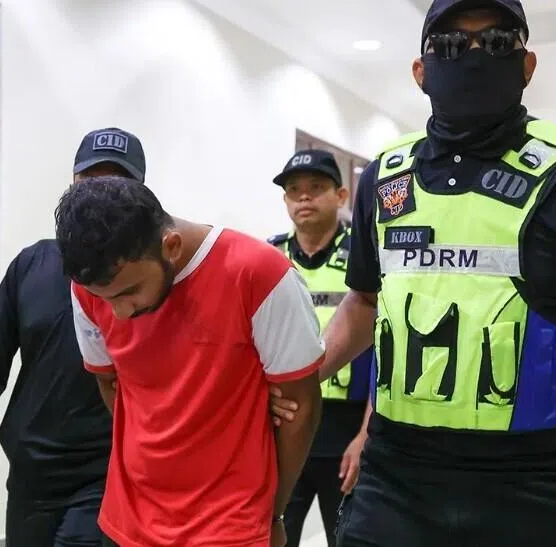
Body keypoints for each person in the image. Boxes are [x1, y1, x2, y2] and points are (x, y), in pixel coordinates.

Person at [270, 1, 556, 545]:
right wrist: (299, 376)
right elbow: (365, 301)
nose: (474, 56)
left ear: (527, 65)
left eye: (497, 42)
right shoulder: (385, 176)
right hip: (395, 471)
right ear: (421, 71)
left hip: (530, 476)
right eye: (451, 44)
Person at [55, 177, 325, 547]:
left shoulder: (259, 274)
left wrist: (273, 512)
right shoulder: (90, 289)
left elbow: (300, 406)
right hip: (127, 521)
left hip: (228, 526)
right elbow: (110, 384)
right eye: (104, 299)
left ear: (171, 246)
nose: (119, 313)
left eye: (130, 292)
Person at [0, 128, 147, 547]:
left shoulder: (151, 279)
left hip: (107, 471)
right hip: (31, 472)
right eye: (90, 182)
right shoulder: (32, 266)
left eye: (116, 184)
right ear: (72, 185)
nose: (100, 197)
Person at [267, 149, 372, 547]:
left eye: (316, 187)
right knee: (272, 534)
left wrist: (366, 434)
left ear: (341, 195)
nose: (304, 197)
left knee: (347, 538)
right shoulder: (268, 257)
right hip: (283, 423)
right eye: (294, 190)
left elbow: (385, 352)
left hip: (346, 429)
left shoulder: (363, 257)